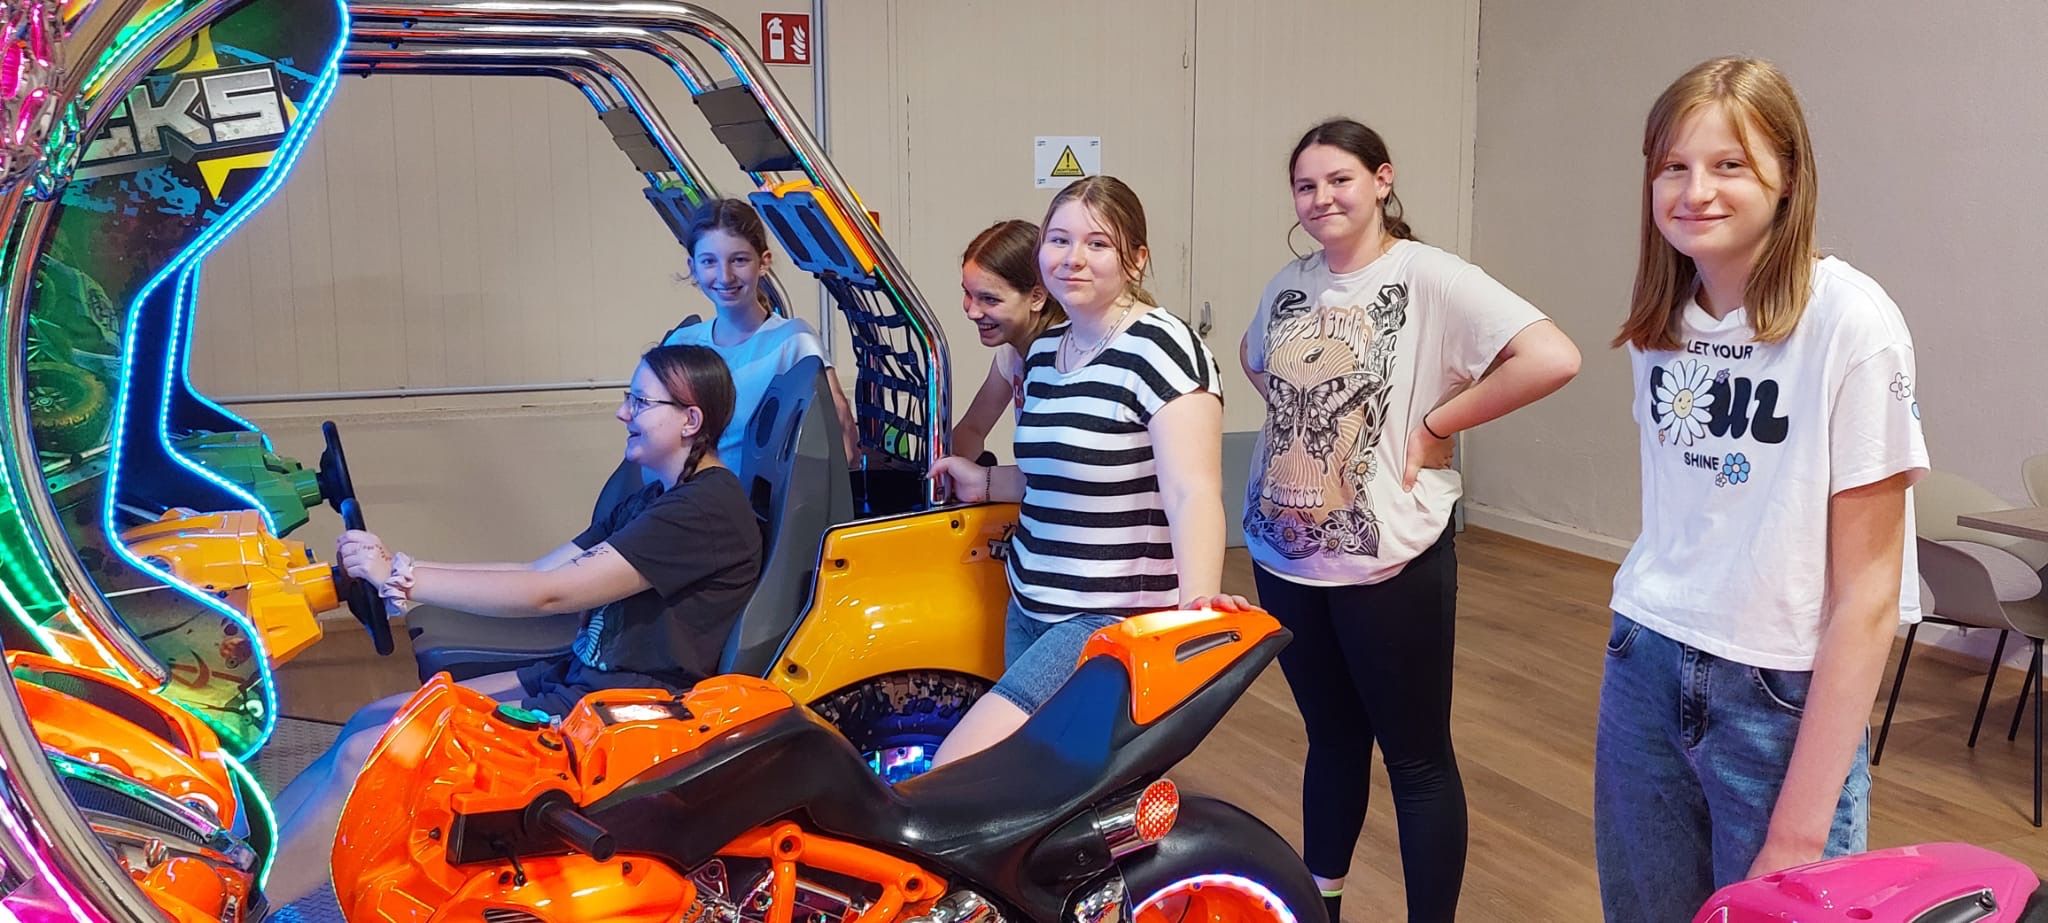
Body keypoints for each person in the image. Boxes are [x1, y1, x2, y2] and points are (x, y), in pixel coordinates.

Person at [1596, 56, 1927, 921]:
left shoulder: (1852, 323)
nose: (1695, 190)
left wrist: (1799, 830)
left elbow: (1869, 596)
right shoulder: (1660, 324)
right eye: (1673, 165)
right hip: (1645, 656)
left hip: (1778, 694)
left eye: (1729, 164)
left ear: (1787, 177)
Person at [263, 344, 762, 906]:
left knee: (370, 755)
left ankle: (245, 905)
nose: (622, 412)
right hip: (581, 683)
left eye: (640, 402)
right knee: (373, 718)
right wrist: (402, 569)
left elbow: (552, 594)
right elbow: (538, 570)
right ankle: (241, 863)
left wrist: (404, 578)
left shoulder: (703, 512)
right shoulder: (658, 497)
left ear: (690, 420)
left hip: (620, 719)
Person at [1240, 117, 1581, 923]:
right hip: (1284, 560)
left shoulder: (1429, 276)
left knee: (1416, 760)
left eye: (1339, 179)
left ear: (1382, 179)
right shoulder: (1290, 282)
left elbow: (1551, 356)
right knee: (1331, 740)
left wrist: (1434, 423)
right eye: (1305, 186)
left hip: (1390, 565)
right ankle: (1322, 907)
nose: (1321, 197)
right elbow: (1258, 362)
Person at [926, 176, 1241, 766]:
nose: (1072, 258)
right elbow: (1060, 477)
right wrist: (984, 482)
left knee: (961, 767)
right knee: (1043, 778)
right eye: (1059, 240)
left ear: (1136, 259)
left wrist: (1198, 608)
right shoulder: (1045, 352)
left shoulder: (1162, 347)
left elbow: (1192, 490)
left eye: (1098, 244)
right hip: (1030, 601)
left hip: (1107, 616)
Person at [664, 197, 859, 461]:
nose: (725, 276)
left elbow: (844, 443)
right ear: (693, 267)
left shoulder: (794, 341)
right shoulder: (680, 345)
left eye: (739, 260)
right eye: (709, 261)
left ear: (764, 262)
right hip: (688, 487)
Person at [950, 219, 1066, 464]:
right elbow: (973, 429)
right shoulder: (1010, 352)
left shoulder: (1063, 359)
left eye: (989, 299)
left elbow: (1052, 472)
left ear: (1037, 297)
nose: (972, 312)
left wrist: (982, 479)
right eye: (968, 293)